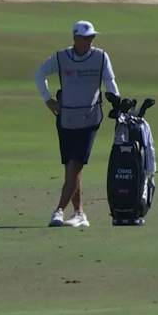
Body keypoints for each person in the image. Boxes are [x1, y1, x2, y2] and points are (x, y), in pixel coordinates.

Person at [35, 21, 119, 228]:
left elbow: (110, 82)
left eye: (92, 37)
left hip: (89, 119)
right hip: (65, 120)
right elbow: (39, 74)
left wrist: (116, 102)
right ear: (75, 38)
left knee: (75, 164)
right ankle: (80, 214)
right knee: (71, 169)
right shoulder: (61, 57)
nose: (90, 41)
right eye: (86, 37)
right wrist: (47, 100)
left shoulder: (100, 57)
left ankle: (58, 210)